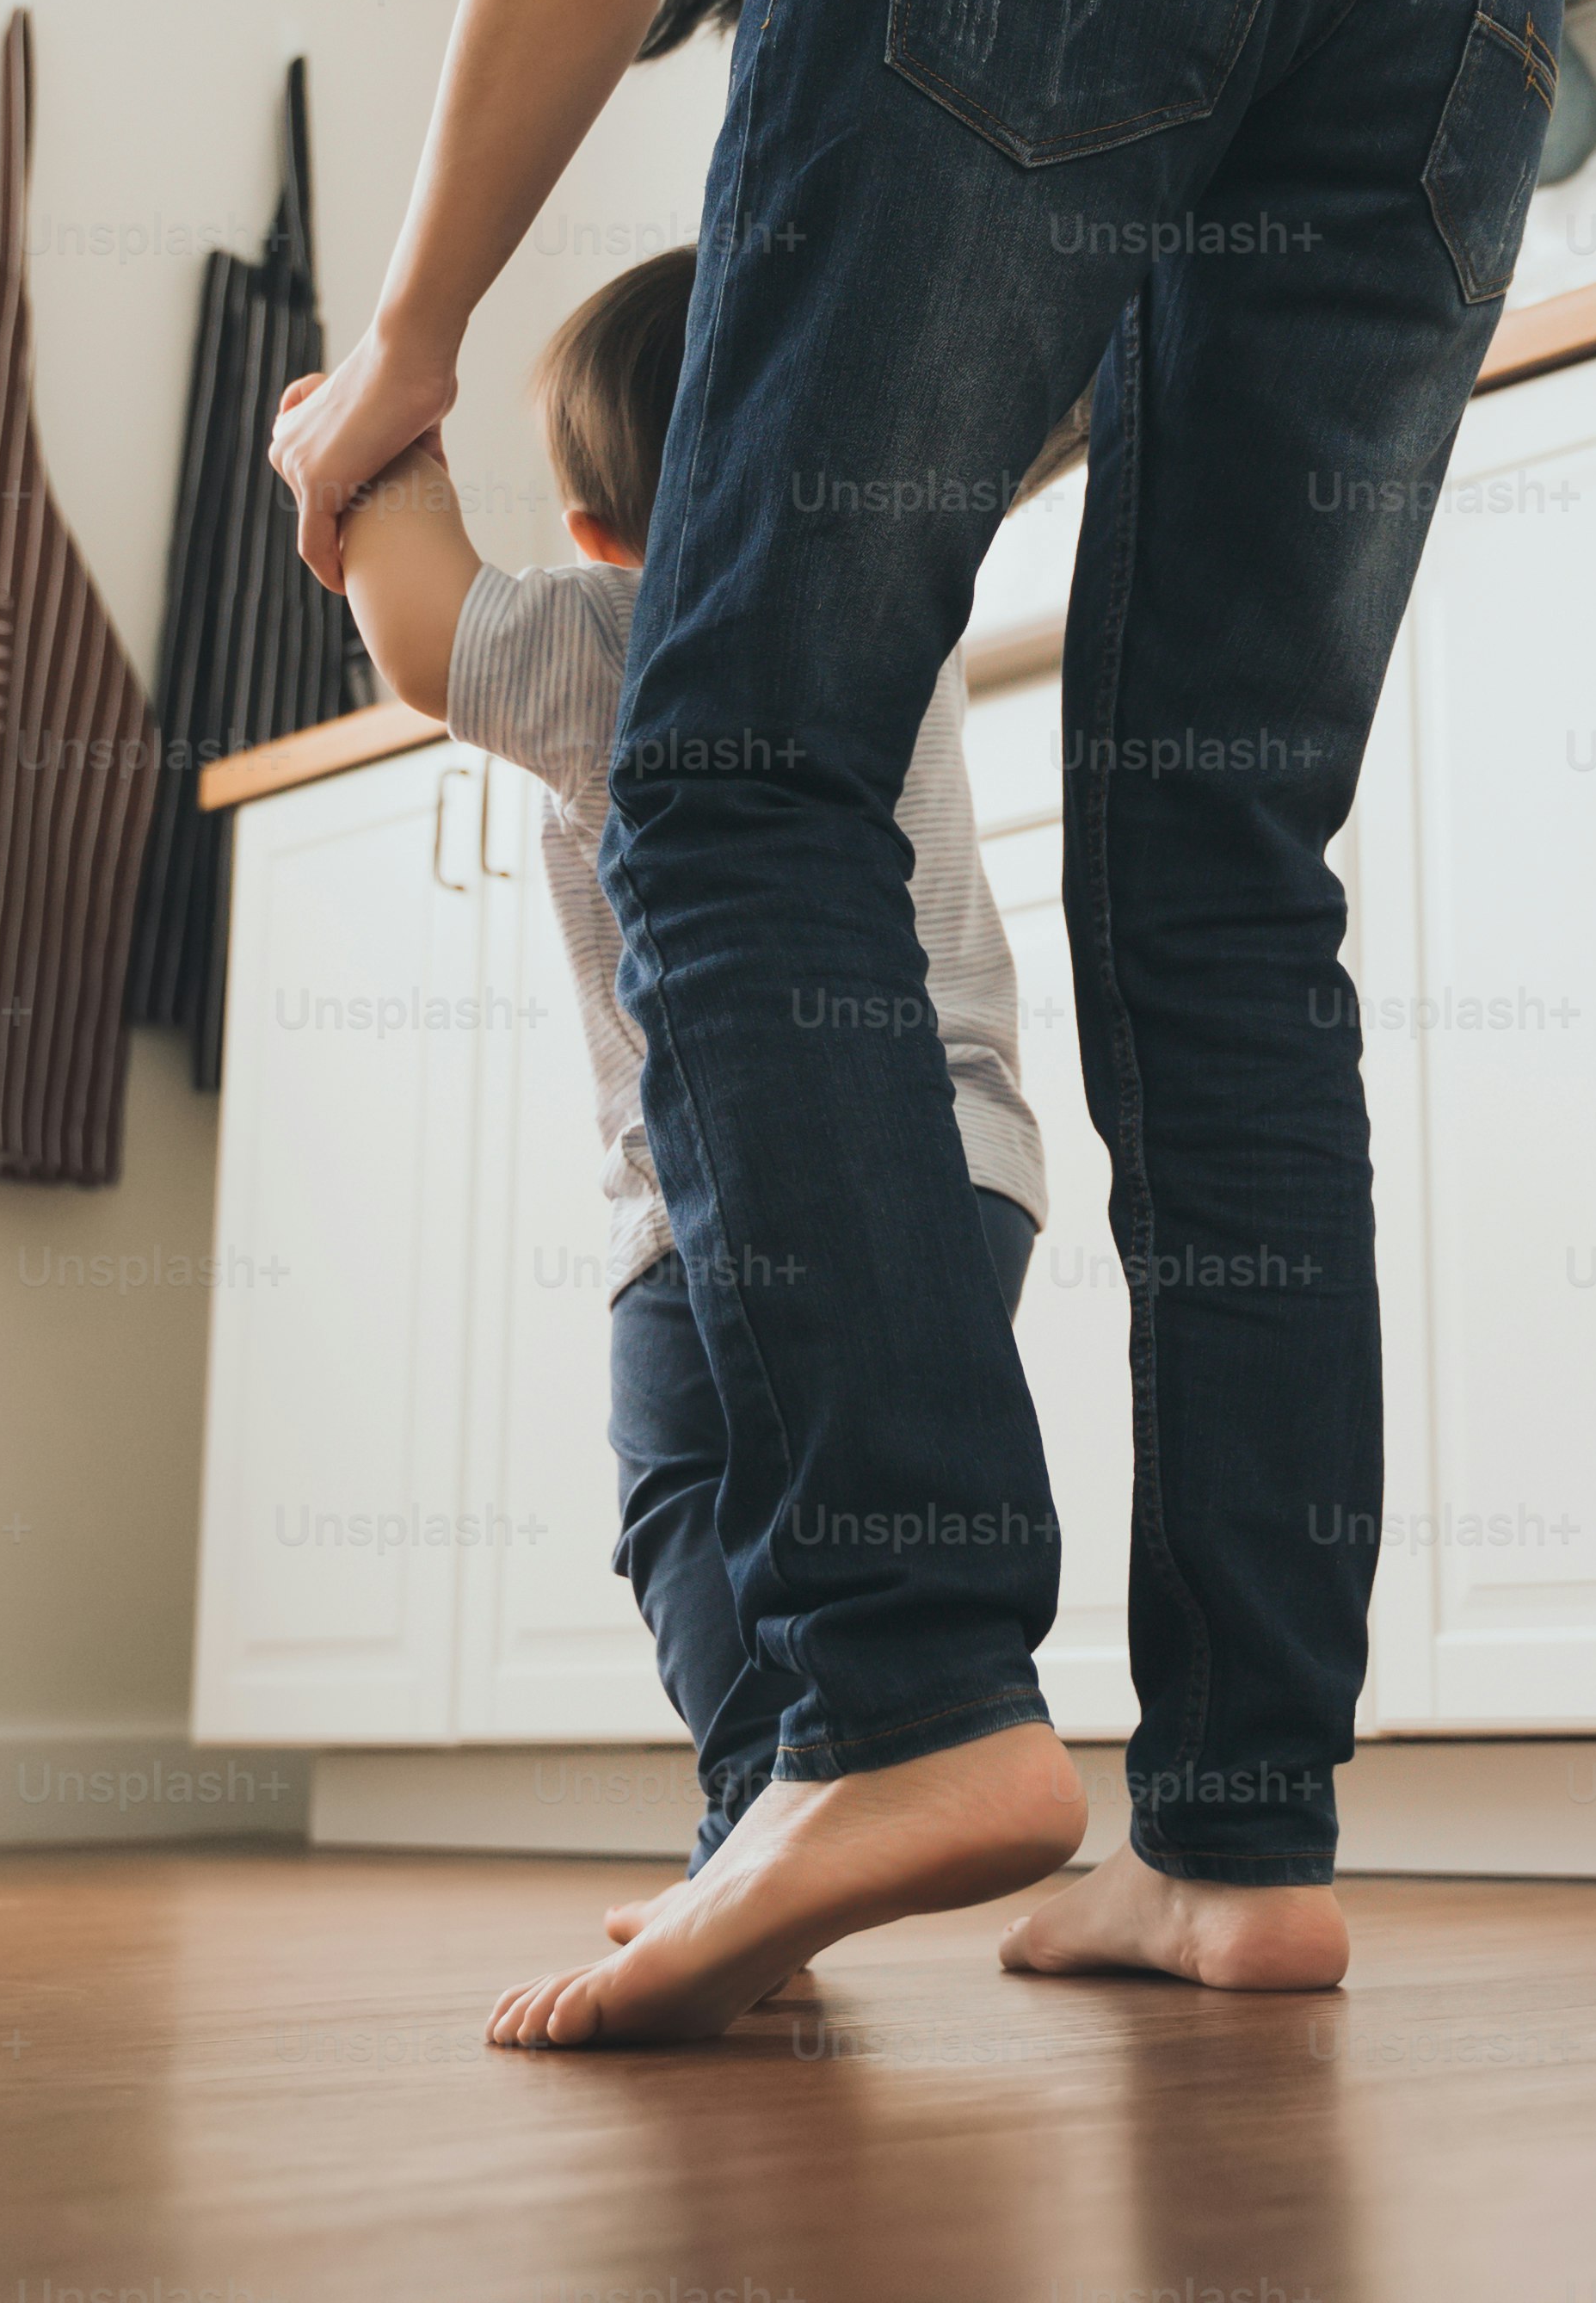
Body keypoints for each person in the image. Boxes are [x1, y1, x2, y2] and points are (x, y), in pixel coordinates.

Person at [272, 0, 1563, 2050]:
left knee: (734, 771)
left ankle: (892, 1703)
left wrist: (397, 351)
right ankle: (1236, 1835)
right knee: (1223, 869)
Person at [328, 249, 1059, 1940]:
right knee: (853, 1490)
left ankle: (758, 1824)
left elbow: (424, 636)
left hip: (726, 1183)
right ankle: (872, 1764)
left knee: (692, 1508)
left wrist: (359, 429)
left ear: (595, 529)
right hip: (978, 1162)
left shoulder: (628, 628)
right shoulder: (900, 617)